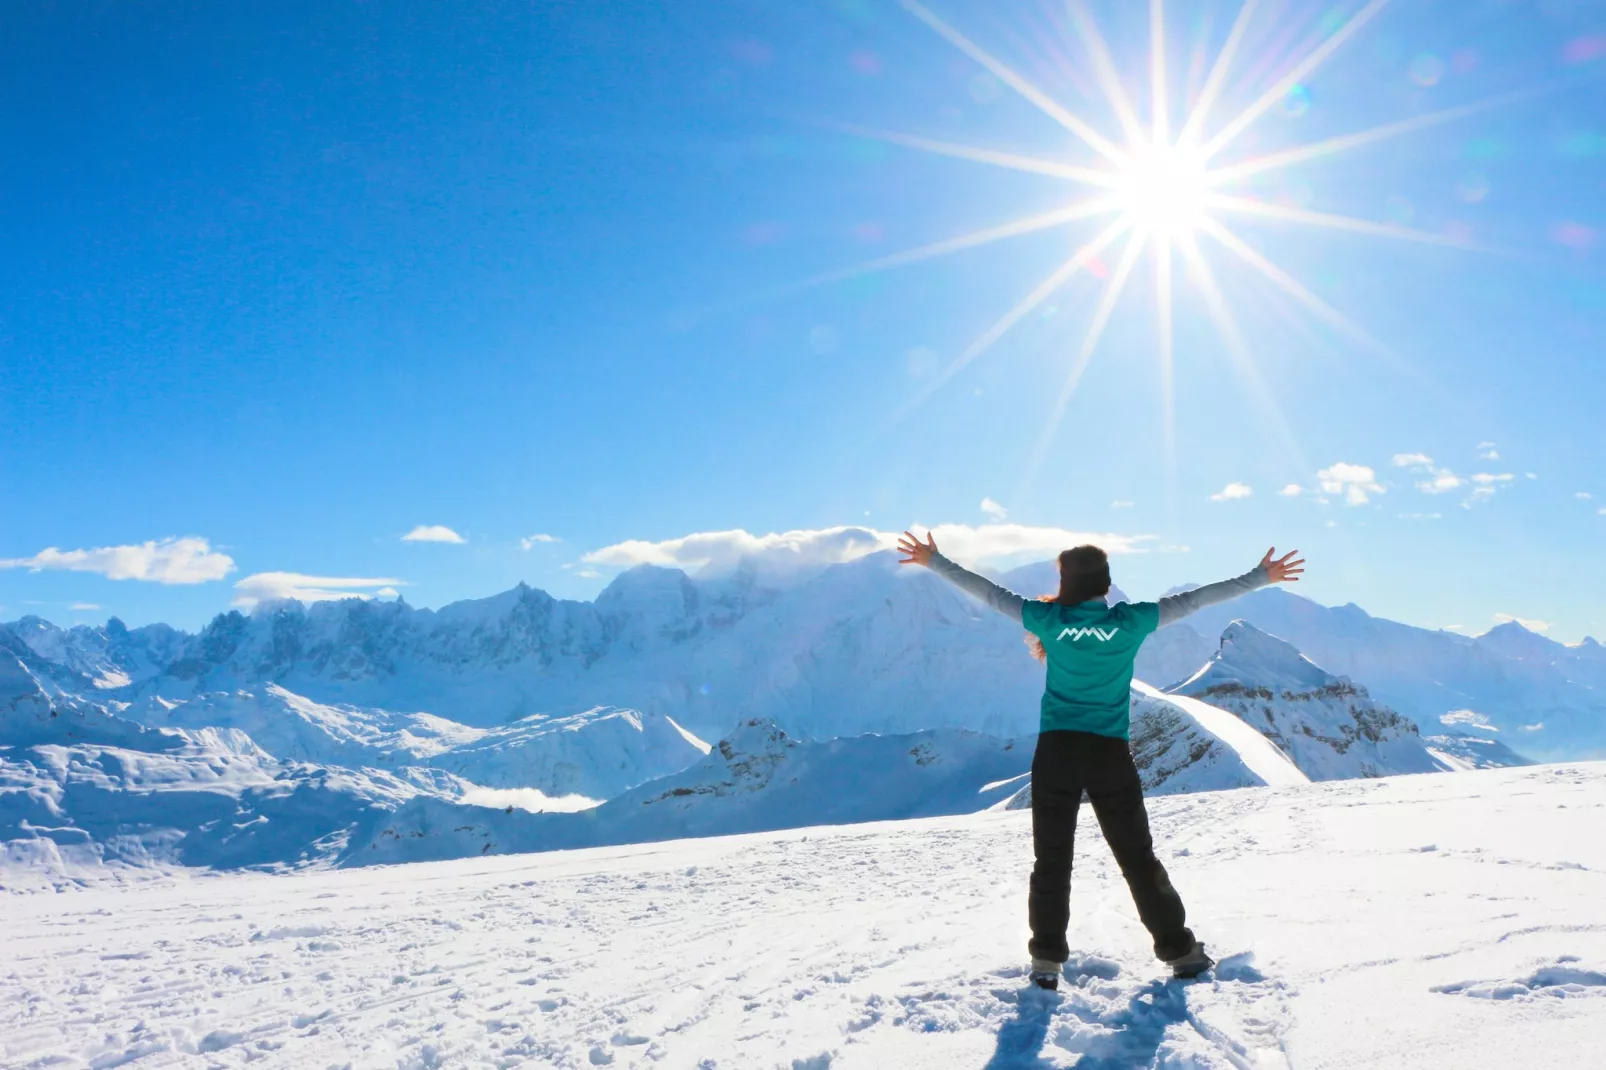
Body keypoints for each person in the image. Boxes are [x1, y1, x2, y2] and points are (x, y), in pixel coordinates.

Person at [896, 532, 1305, 988]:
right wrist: (1259, 577)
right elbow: (1194, 602)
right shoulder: (1132, 621)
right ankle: (1180, 952)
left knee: (1052, 858)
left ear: (1065, 583)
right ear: (1106, 585)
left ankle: (1047, 960)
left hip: (1057, 752)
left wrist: (934, 561)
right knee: (1136, 857)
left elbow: (989, 594)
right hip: (1109, 752)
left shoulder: (1047, 618)